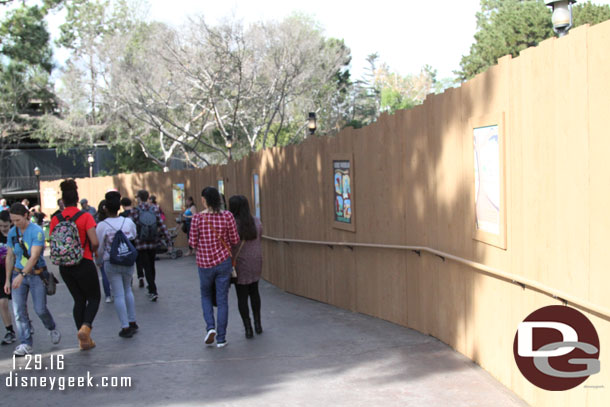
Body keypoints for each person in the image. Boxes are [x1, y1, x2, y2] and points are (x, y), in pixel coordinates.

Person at [4, 203, 61, 356]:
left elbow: (35, 256)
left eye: (18, 220)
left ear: (26, 216)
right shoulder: (12, 233)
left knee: (40, 309)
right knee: (19, 310)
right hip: (18, 274)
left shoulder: (37, 231)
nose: (15, 224)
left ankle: (51, 327)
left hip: (36, 274)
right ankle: (26, 343)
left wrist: (22, 275)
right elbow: (10, 256)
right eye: (12, 221)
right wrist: (8, 279)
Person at [49, 180, 100, 350]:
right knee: (94, 298)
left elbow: (53, 242)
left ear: (62, 200)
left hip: (65, 267)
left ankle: (83, 340)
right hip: (84, 262)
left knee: (79, 300)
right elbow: (94, 241)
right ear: (77, 199)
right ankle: (86, 327)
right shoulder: (85, 216)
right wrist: (93, 251)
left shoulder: (55, 219)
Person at [189, 187, 239, 348]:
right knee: (222, 299)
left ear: (204, 200)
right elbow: (235, 239)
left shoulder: (197, 219)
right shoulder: (227, 216)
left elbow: (192, 243)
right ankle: (221, 338)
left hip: (204, 263)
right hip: (223, 262)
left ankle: (210, 327)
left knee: (205, 295)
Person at [96, 191, 139, 338]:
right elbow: (133, 235)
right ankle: (133, 320)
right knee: (128, 290)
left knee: (118, 294)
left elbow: (99, 247)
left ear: (105, 208)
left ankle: (125, 326)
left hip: (111, 261)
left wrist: (99, 260)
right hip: (127, 260)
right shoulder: (128, 222)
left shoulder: (102, 226)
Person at [229, 195, 264, 338]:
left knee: (242, 296)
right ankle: (258, 324)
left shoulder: (232, 224)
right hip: (255, 260)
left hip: (240, 263)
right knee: (255, 292)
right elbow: (260, 236)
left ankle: (248, 328)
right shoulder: (256, 221)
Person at [130, 189, 171, 302]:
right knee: (151, 266)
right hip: (153, 241)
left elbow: (131, 226)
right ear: (148, 197)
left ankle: (153, 290)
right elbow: (161, 225)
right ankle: (151, 287)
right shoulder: (154, 209)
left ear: (138, 198)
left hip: (141, 243)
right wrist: (168, 239)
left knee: (146, 266)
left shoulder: (135, 210)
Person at [0, 210, 16, 345]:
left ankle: (26, 322)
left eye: (5, 226)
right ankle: (9, 330)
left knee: (18, 304)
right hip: (1, 274)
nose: (3, 229)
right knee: (2, 303)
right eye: (0, 226)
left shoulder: (15, 234)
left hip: (15, 272)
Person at [95, 200, 113, 304]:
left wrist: (97, 257)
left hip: (102, 250)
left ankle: (108, 295)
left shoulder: (97, 221)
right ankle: (116, 292)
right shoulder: (113, 220)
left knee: (104, 274)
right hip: (114, 251)